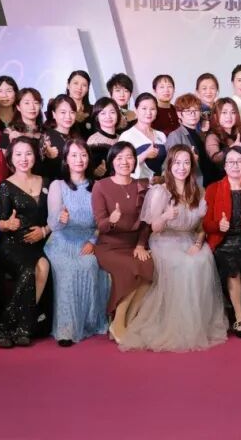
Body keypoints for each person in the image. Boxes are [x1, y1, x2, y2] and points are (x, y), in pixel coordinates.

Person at [120, 145, 227, 352]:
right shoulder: (160, 191)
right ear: (169, 165)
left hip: (190, 239)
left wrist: (198, 244)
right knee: (185, 265)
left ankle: (195, 324)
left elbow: (202, 226)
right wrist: (165, 216)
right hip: (164, 240)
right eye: (177, 162)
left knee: (202, 259)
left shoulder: (198, 191)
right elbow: (154, 227)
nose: (182, 167)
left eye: (186, 163)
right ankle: (177, 325)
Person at [44, 140, 109, 346]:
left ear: (88, 158)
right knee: (69, 269)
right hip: (61, 240)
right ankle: (67, 329)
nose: (79, 160)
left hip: (87, 239)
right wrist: (60, 219)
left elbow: (101, 223)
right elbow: (53, 224)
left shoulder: (97, 186)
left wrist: (93, 241)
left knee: (90, 264)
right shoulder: (57, 186)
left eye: (83, 155)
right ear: (66, 159)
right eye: (73, 155)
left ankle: (88, 322)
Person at [91, 142, 154, 343]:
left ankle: (127, 320)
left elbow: (147, 222)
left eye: (129, 157)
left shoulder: (142, 186)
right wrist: (111, 220)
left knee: (149, 265)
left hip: (133, 244)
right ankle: (118, 322)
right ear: (111, 161)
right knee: (131, 267)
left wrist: (140, 244)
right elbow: (100, 225)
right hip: (109, 245)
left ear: (135, 161)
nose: (124, 162)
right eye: (119, 158)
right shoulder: (101, 186)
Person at [0, 137, 51, 348]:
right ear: (10, 158)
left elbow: (55, 216)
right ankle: (10, 326)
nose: (23, 159)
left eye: (28, 153)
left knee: (44, 266)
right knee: (28, 271)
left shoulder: (47, 182)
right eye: (18, 154)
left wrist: (44, 231)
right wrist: (7, 224)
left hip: (40, 242)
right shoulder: (5, 186)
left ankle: (18, 326)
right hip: (13, 244)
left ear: (35, 156)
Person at [202, 146, 241, 340]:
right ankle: (239, 315)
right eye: (230, 162)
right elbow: (205, 223)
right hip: (222, 242)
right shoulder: (213, 189)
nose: (235, 165)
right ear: (224, 166)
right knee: (232, 269)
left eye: (239, 161)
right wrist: (217, 225)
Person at [165, 93, 220, 186]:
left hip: (210, 182)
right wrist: (190, 159)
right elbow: (172, 166)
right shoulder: (175, 136)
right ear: (179, 114)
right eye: (188, 111)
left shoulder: (200, 133)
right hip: (193, 185)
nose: (193, 114)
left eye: (196, 110)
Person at [118, 93, 167, 182]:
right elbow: (121, 164)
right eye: (144, 108)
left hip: (160, 184)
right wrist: (145, 155)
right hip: (136, 184)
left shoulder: (161, 135)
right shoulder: (127, 136)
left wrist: (163, 177)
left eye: (152, 109)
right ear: (136, 110)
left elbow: (167, 163)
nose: (148, 112)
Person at [40, 94, 78, 181]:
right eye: (63, 112)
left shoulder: (77, 136)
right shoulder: (46, 137)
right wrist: (49, 158)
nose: (68, 116)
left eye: (72, 112)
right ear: (54, 114)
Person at [204, 97, 241, 175]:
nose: (229, 116)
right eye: (224, 112)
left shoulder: (238, 134)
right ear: (215, 116)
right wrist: (231, 148)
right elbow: (215, 158)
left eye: (233, 112)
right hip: (219, 180)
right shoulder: (212, 136)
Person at [85, 96, 120, 178]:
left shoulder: (122, 138)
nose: (108, 117)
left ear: (118, 114)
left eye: (112, 112)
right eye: (103, 113)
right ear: (97, 117)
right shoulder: (93, 140)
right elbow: (88, 171)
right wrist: (96, 173)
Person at [66, 70, 94, 138]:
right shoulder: (58, 111)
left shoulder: (94, 111)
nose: (79, 88)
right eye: (76, 83)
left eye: (84, 85)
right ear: (68, 85)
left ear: (87, 89)